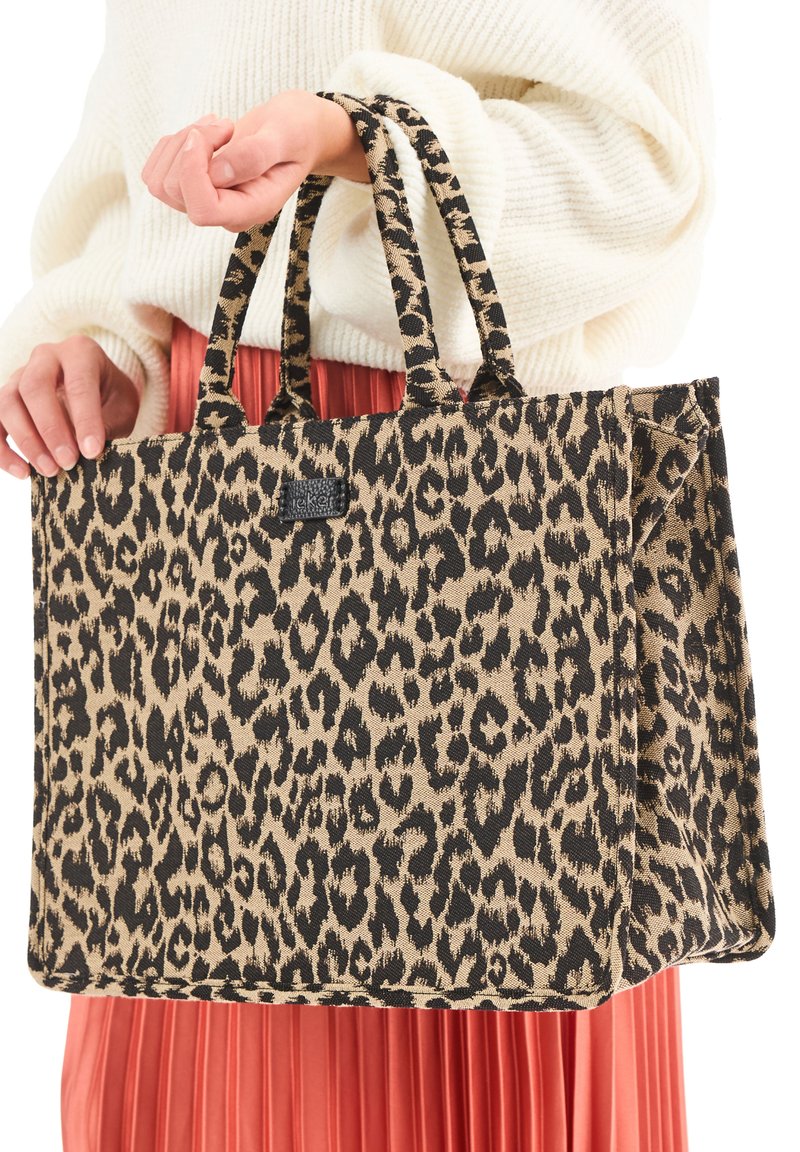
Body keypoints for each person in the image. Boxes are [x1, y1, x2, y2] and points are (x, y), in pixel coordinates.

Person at [0, 2, 715, 1148]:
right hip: (207, 513)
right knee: (197, 1038)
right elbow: (120, 197)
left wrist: (357, 139)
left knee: (505, 1010)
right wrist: (98, 352)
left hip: (485, 524)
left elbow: (643, 176)